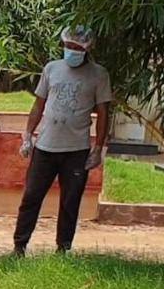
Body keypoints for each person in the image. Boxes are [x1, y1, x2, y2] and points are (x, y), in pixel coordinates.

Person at [12, 26, 112, 256]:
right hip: (45, 147)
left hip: (76, 150)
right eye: (68, 46)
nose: (71, 50)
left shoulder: (98, 75)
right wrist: (28, 134)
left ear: (87, 49)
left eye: (76, 48)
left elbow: (104, 112)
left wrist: (98, 148)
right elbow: (39, 104)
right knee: (31, 197)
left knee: (70, 202)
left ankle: (63, 249)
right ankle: (19, 246)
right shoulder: (52, 69)